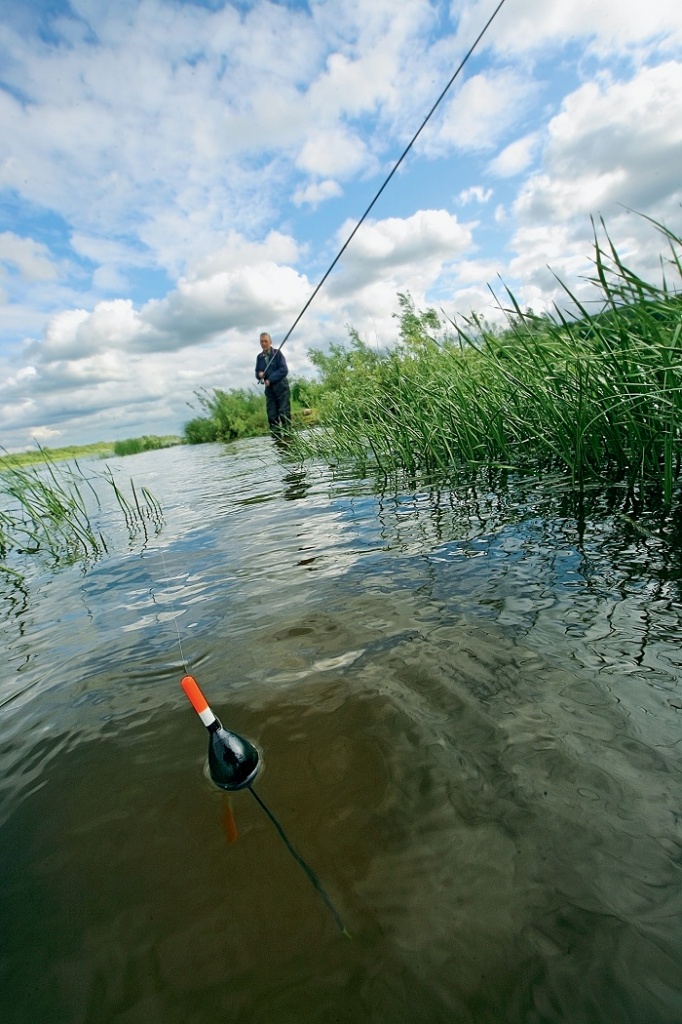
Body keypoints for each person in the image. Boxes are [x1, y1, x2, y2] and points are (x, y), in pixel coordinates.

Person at [255, 331, 291, 436]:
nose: (264, 343)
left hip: (281, 387)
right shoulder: (259, 357)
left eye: (265, 341)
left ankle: (289, 438)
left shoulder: (277, 353)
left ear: (270, 342)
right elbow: (257, 372)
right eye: (261, 342)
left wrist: (270, 379)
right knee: (272, 416)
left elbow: (284, 370)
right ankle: (277, 442)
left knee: (284, 413)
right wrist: (259, 374)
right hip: (269, 390)